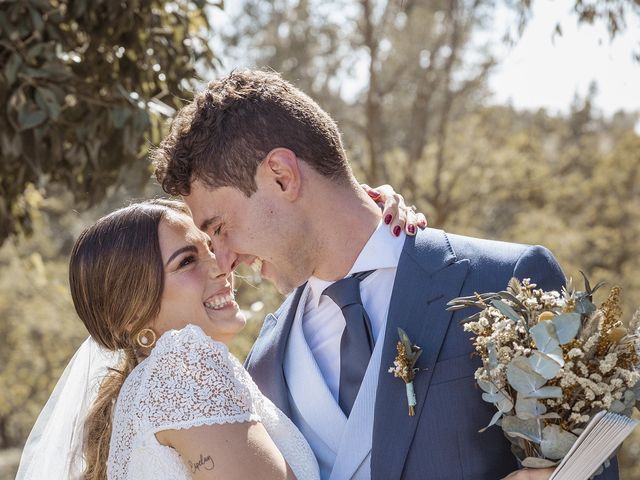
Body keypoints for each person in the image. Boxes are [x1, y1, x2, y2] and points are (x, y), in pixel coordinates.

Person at [152, 69, 619, 480]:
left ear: (281, 175)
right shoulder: (264, 359)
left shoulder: (506, 280)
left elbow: (587, 468)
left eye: (220, 228)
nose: (225, 259)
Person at [15, 192, 419, 480]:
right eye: (187, 260)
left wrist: (364, 210)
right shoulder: (183, 366)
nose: (220, 265)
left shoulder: (149, 387)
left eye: (210, 247)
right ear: (134, 310)